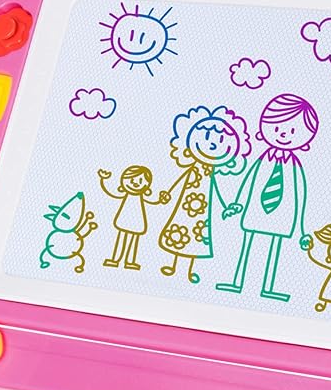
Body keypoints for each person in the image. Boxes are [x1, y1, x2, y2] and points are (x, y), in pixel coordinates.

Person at [216, 93, 318, 302]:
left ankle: (268, 286)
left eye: (292, 131)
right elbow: (249, 182)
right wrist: (238, 203)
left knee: (274, 249)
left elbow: (299, 195)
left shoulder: (295, 167)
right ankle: (237, 281)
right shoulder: (262, 160)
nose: (284, 134)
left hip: (282, 213)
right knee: (247, 244)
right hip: (255, 208)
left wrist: (301, 228)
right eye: (277, 128)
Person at [159, 105, 251, 284]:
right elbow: (180, 180)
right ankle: (173, 266)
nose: (212, 145)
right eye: (207, 138)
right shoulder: (193, 168)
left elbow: (215, 190)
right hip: (185, 208)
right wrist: (168, 193)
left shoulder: (211, 172)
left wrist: (225, 206)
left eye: (221, 141)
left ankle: (188, 271)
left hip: (201, 212)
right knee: (179, 232)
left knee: (195, 237)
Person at [98, 165, 169, 270]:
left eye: (141, 181)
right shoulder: (126, 194)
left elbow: (153, 201)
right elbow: (112, 193)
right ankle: (115, 259)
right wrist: (103, 180)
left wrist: (162, 199)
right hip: (124, 218)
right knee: (121, 238)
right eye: (131, 180)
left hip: (137, 220)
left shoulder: (141, 197)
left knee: (133, 240)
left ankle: (130, 261)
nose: (135, 183)